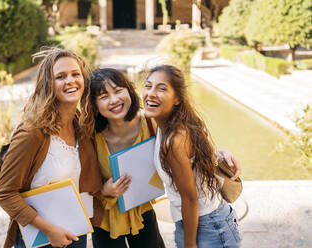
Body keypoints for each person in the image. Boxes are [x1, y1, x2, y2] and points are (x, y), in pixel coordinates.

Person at [81, 68, 241, 248]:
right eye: (103, 96)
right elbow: (78, 180)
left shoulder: (151, 122)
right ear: (94, 104)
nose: (114, 100)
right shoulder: (89, 136)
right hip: (106, 218)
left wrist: (218, 153)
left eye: (118, 90)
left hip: (143, 212)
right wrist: (104, 190)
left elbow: (187, 145)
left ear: (129, 91)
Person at [0, 48, 103, 248]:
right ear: (48, 84)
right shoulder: (32, 133)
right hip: (42, 238)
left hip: (76, 233)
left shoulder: (82, 126)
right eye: (60, 76)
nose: (70, 81)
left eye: (75, 74)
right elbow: (4, 193)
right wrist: (49, 229)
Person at [143, 64, 241, 248]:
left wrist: (189, 243)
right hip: (211, 220)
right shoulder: (171, 122)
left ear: (177, 99)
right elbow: (198, 156)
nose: (151, 93)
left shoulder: (174, 140)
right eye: (148, 86)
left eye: (161, 88)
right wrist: (221, 153)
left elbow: (190, 198)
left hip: (207, 226)